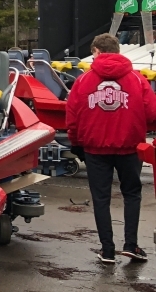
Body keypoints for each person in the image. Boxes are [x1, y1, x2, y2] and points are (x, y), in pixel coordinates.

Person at [66, 33, 156, 263]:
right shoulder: (137, 79)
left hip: (95, 148)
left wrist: (76, 142)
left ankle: (107, 250)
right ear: (118, 51)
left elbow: (73, 116)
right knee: (132, 194)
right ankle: (131, 245)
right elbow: (152, 114)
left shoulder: (83, 81)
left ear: (96, 51)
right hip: (129, 146)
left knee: (101, 198)